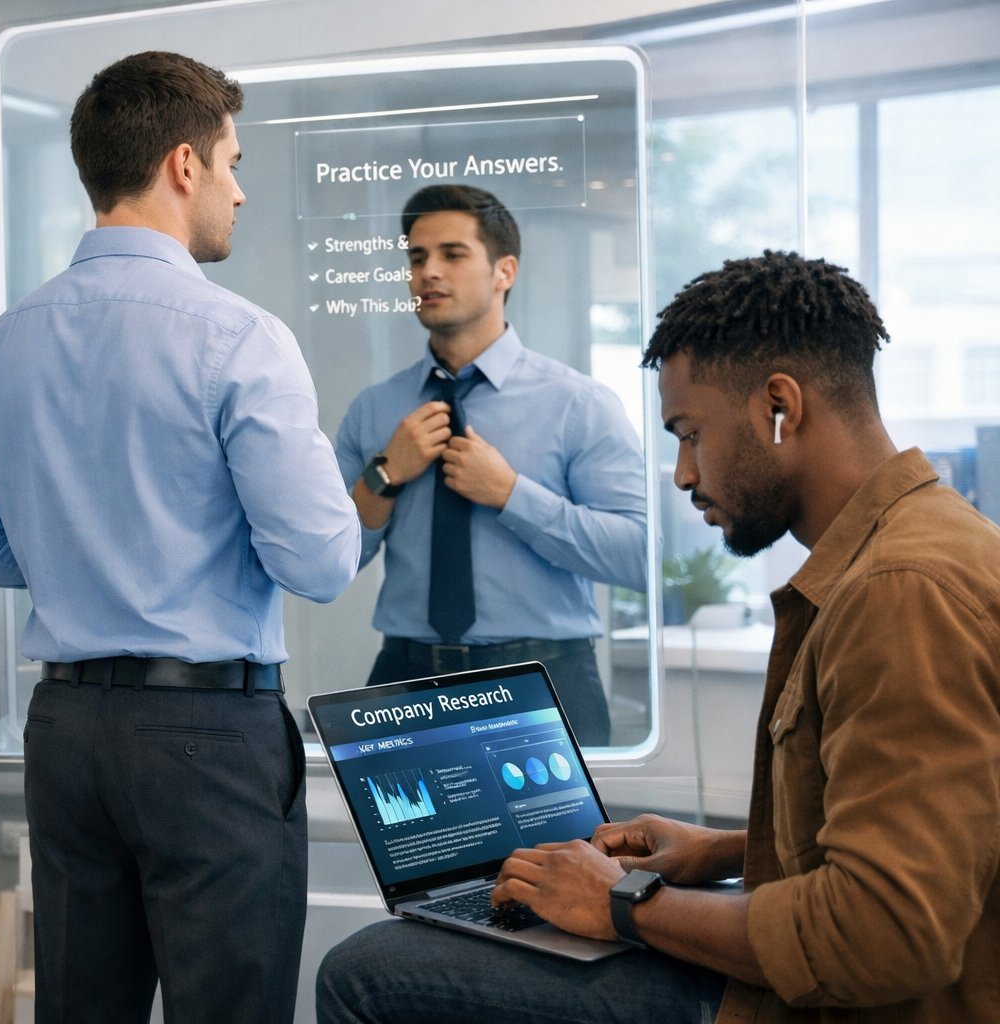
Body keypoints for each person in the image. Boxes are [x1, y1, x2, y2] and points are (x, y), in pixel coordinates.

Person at [316, 250, 1000, 1024]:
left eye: (689, 433)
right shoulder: (924, 545)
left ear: (781, 406)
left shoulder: (899, 594)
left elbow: (884, 935)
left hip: (812, 1007)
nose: (681, 473)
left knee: (366, 972)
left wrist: (625, 902)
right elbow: (933, 828)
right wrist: (719, 852)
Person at [0, 50, 359, 1024]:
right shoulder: (241, 337)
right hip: (209, 737)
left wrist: (86, 562)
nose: (241, 193)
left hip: (69, 734)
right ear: (183, 165)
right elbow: (322, 560)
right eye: (233, 163)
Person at [335, 184, 646, 745]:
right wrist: (383, 474)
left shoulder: (578, 404)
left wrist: (511, 495)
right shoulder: (376, 409)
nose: (428, 272)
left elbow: (639, 555)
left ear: (504, 271)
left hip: (544, 682)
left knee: (564, 840)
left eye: (452, 255)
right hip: (406, 679)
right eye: (416, 257)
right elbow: (328, 559)